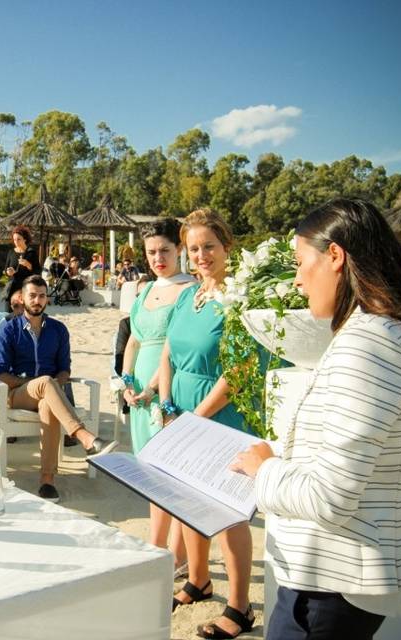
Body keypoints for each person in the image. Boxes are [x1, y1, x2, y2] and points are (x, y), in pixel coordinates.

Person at [231, 198, 401, 640]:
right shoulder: (388, 333)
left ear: (335, 256)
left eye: (302, 263)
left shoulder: (368, 347)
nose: (297, 279)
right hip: (343, 577)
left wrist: (264, 470)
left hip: (333, 583)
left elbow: (330, 497)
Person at [154, 208, 254, 638]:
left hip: (223, 415)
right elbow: (167, 351)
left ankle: (240, 607)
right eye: (193, 248)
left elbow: (242, 369)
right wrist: (165, 402)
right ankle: (198, 580)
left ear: (227, 246)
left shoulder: (242, 301)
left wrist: (194, 418)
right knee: (187, 499)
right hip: (180, 411)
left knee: (228, 511)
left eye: (208, 246)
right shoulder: (187, 295)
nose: (200, 255)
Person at [0, 275, 116, 502]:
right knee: (45, 383)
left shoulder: (58, 329)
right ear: (22, 297)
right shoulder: (10, 330)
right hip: (18, 394)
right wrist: (38, 383)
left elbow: (64, 370)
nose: (37, 300)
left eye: (42, 296)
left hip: (47, 394)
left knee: (48, 401)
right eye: (32, 296)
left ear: (47, 299)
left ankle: (47, 482)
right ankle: (85, 438)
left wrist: (54, 383)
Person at [119, 219, 195, 570]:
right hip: (139, 392)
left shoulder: (189, 289)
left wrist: (151, 388)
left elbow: (175, 348)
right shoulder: (144, 289)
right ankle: (156, 544)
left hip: (168, 387)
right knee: (151, 472)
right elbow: (133, 339)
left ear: (179, 249)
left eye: (165, 250)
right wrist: (127, 379)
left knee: (173, 476)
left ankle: (176, 555)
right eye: (151, 252)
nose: (158, 258)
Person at [3, 224, 40, 311]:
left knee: (24, 313)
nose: (16, 242)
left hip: (25, 287)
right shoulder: (11, 252)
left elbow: (38, 271)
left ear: (25, 239)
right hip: (12, 287)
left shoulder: (31, 253)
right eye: (14, 239)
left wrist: (28, 265)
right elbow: (5, 269)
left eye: (19, 239)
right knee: (8, 312)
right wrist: (8, 272)